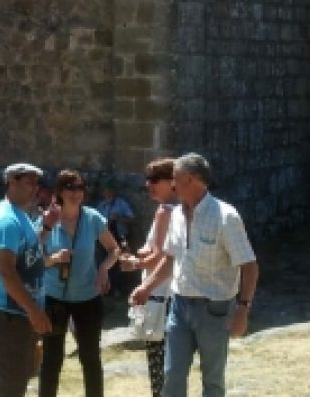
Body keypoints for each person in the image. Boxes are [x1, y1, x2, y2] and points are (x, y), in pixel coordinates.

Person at [129, 153, 258, 397]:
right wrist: (146, 287)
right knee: (172, 376)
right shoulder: (176, 215)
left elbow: (249, 265)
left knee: (212, 380)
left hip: (214, 309)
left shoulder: (225, 216)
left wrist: (243, 309)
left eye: (175, 178)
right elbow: (170, 259)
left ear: (191, 179)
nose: (172, 184)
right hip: (179, 306)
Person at [39, 169, 119, 397]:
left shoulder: (92, 218)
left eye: (80, 188)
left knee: (90, 357)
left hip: (88, 297)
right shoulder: (48, 220)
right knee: (52, 358)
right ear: (59, 192)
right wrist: (54, 259)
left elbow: (114, 250)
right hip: (54, 297)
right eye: (70, 188)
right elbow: (33, 260)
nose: (76, 193)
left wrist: (103, 269)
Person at [0, 162, 59, 397]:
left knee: (16, 383)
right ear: (12, 182)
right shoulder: (7, 221)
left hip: (19, 316)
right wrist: (34, 312)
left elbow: (29, 250)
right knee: (11, 387)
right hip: (11, 318)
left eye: (36, 183)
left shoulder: (20, 215)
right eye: (29, 182)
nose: (35, 188)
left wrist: (47, 226)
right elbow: (7, 272)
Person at [118, 158, 178, 397]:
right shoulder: (181, 210)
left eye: (155, 179)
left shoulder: (165, 211)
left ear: (172, 181)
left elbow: (161, 255)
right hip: (172, 291)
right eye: (147, 179)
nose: (149, 185)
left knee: (157, 359)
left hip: (159, 291)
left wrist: (135, 263)